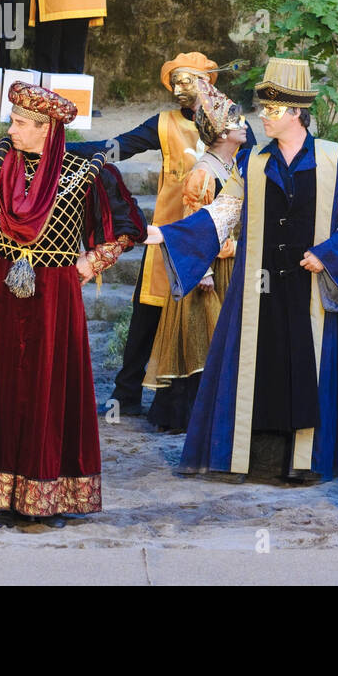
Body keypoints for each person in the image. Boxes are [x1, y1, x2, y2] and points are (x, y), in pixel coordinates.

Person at [0, 44, 146, 527]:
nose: (10, 129)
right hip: (7, 289)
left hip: (54, 295)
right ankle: (6, 490)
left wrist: (93, 260)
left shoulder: (85, 173)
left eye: (22, 123)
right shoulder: (2, 165)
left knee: (50, 384)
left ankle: (47, 494)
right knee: (7, 384)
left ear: (48, 129)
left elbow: (129, 225)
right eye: (12, 120)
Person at [145, 57, 338, 483]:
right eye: (263, 108)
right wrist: (167, 235)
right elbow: (222, 212)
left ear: (294, 113)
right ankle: (255, 462)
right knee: (257, 368)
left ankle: (303, 463)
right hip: (257, 290)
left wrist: (328, 253)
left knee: (307, 366)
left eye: (272, 110)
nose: (262, 118)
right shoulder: (251, 162)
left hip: (310, 290)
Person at [67, 52, 251, 417]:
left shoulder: (233, 121)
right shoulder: (164, 122)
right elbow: (117, 147)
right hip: (167, 233)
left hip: (216, 237)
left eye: (189, 80)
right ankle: (127, 394)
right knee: (146, 313)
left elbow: (252, 170)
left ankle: (197, 398)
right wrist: (59, 150)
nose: (180, 88)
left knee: (208, 318)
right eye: (175, 82)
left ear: (208, 82)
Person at [143, 80, 247, 433]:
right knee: (202, 336)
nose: (244, 126)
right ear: (221, 133)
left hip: (227, 262)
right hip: (209, 269)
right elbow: (193, 223)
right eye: (236, 123)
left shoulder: (231, 167)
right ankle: (186, 414)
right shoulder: (203, 173)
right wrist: (202, 271)